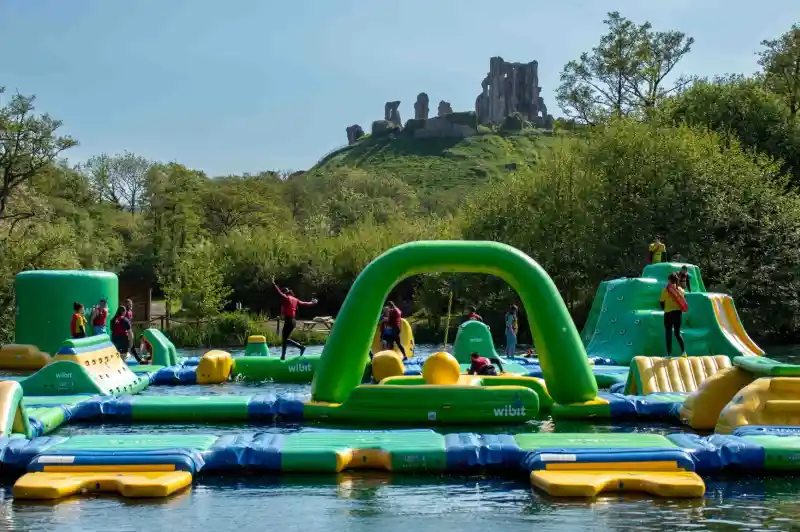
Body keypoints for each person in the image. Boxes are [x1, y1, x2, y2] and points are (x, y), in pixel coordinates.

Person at [273, 278, 317, 360]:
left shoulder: (286, 298)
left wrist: (274, 284)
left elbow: (279, 293)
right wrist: (312, 302)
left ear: (285, 293)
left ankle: (299, 348)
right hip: (293, 321)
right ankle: (286, 354)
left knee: (284, 339)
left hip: (289, 321)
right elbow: (304, 303)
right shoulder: (295, 299)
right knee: (285, 339)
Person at [660, 272, 688, 356]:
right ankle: (684, 352)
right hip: (678, 314)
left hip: (668, 313)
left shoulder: (665, 290)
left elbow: (661, 302)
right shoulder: (681, 290)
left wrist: (664, 309)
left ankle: (669, 354)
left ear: (669, 280)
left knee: (668, 333)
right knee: (677, 333)